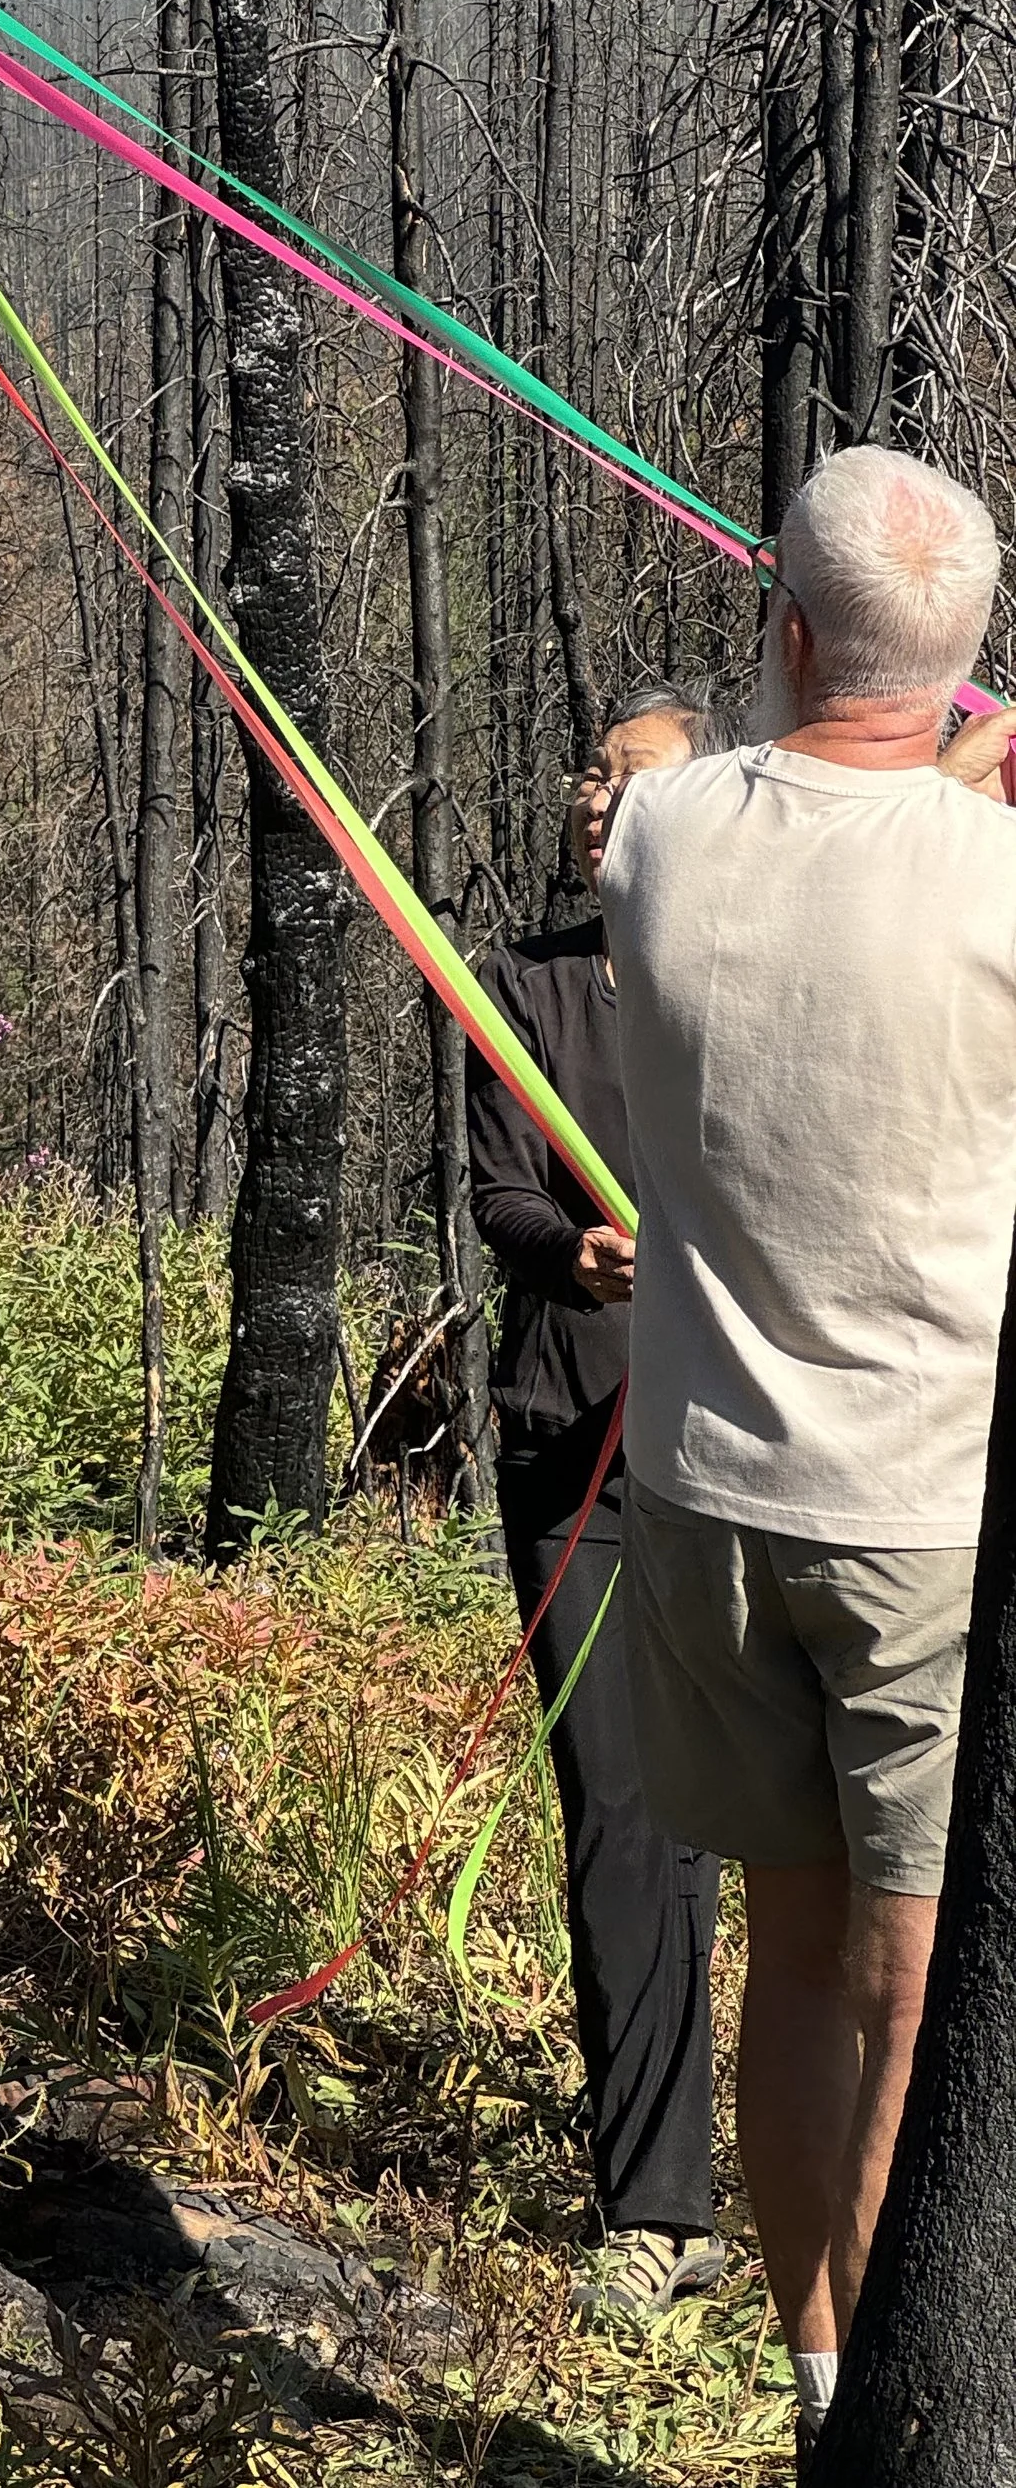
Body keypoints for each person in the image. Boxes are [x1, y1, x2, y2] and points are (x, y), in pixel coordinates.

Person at [599, 444, 1016, 2471]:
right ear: (967, 672)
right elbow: (905, 855)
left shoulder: (664, 835)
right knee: (903, 1976)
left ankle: (817, 2361)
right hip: (926, 1511)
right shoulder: (995, 873)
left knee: (780, 1953)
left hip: (698, 1490)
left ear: (778, 631)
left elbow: (737, 790)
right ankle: (894, 2418)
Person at [465, 686, 726, 2326]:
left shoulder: (749, 992)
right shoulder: (526, 990)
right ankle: (657, 2209)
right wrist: (573, 1252)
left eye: (628, 777)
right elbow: (500, 1191)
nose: (593, 795)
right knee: (625, 1814)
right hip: (574, 1457)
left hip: (745, 1453)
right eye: (586, 770)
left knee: (765, 1830)